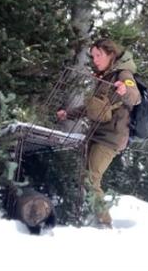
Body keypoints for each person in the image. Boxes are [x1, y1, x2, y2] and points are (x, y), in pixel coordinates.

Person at [57, 38, 141, 228]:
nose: (95, 59)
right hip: (96, 134)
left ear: (111, 54)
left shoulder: (123, 74)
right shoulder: (104, 77)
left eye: (99, 55)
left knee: (91, 179)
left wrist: (124, 89)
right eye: (93, 55)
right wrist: (68, 114)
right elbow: (94, 107)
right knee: (84, 176)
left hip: (111, 138)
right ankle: (83, 216)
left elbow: (135, 98)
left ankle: (104, 223)